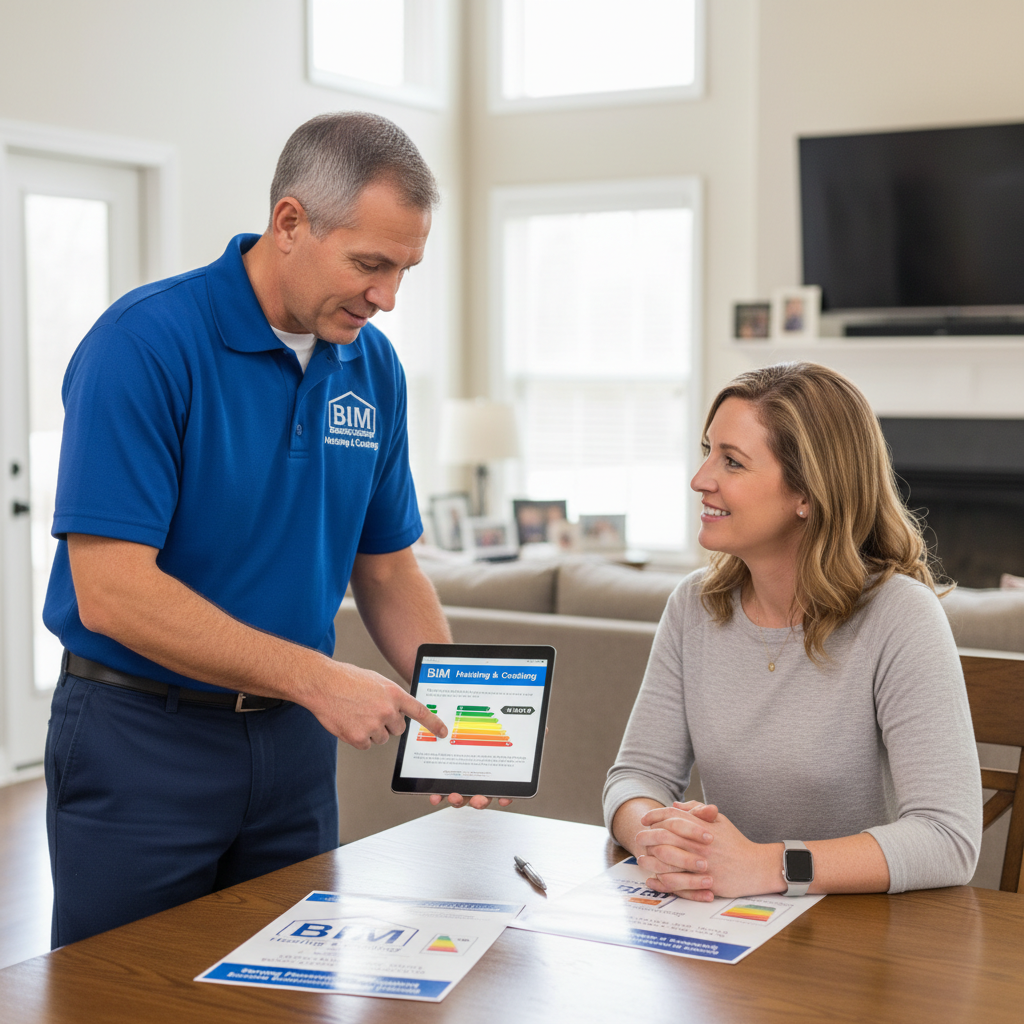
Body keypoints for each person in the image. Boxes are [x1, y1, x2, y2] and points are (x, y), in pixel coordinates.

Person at [43, 112, 495, 948]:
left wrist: (464, 709)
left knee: (287, 990)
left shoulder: (374, 366)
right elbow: (111, 594)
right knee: (126, 995)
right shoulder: (144, 344)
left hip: (290, 753)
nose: (387, 297)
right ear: (290, 223)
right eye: (370, 263)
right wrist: (319, 678)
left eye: (405, 270)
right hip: (141, 738)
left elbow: (390, 570)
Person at [604, 362, 982, 900]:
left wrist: (767, 866)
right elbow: (635, 776)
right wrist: (659, 837)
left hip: (871, 947)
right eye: (707, 450)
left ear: (807, 493)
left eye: (731, 461)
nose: (700, 479)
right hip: (728, 927)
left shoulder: (900, 616)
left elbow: (948, 839)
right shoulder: (694, 605)